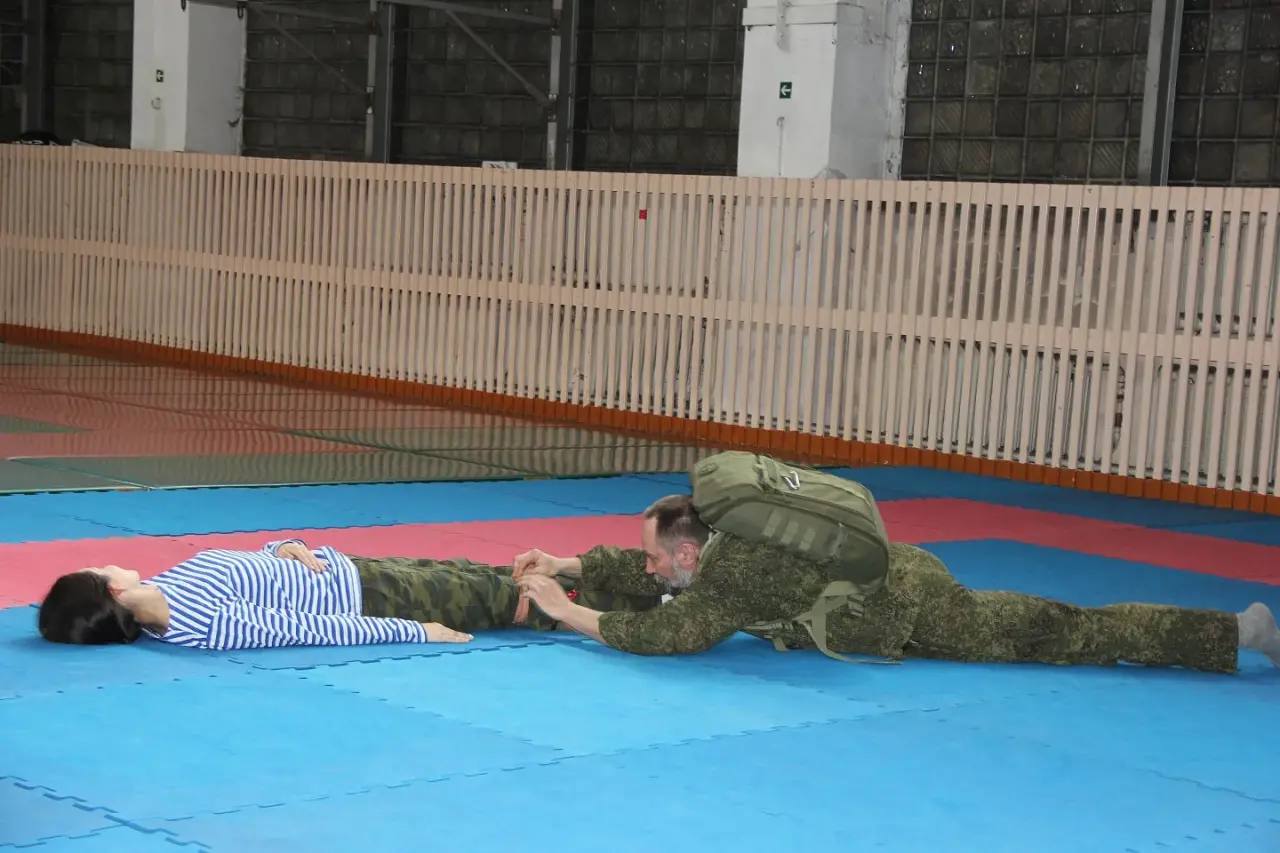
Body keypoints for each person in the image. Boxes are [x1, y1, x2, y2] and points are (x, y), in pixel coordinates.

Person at [512, 494, 1280, 674]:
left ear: (688, 553)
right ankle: (1237, 631)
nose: (648, 566)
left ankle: (1239, 631)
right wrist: (567, 564)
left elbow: (665, 632)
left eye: (655, 556)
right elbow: (652, 581)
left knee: (1067, 632)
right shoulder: (716, 542)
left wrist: (564, 610)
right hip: (887, 582)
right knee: (1065, 629)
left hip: (913, 606)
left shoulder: (733, 576)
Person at [37, 538, 661, 650]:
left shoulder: (167, 587)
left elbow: (251, 563)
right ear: (111, 588)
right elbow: (310, 628)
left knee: (488, 573)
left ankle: (646, 580)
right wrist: (417, 631)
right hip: (377, 601)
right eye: (99, 565)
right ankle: (651, 609)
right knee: (513, 599)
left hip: (359, 569)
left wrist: (286, 545)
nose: (108, 561)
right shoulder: (198, 623)